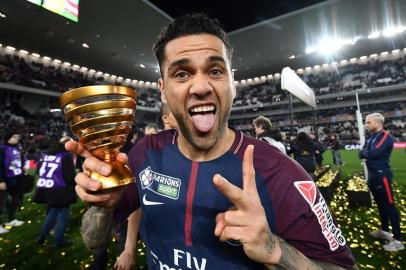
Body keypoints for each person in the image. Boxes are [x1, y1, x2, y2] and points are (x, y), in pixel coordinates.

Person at [67, 14, 356, 269]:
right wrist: (102, 204)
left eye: (215, 71)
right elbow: (93, 240)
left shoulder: (281, 174)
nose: (202, 87)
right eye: (182, 74)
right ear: (163, 91)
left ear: (232, 83)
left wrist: (274, 249)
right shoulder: (145, 154)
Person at [359, 113, 403, 252]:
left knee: (389, 206)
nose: (367, 125)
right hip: (373, 176)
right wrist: (365, 152)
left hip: (382, 176)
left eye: (369, 122)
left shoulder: (385, 137)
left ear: (378, 123)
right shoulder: (372, 137)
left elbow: (371, 153)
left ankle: (397, 240)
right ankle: (384, 230)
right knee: (380, 204)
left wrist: (366, 152)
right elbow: (362, 153)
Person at [34, 136, 76, 247]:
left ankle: (41, 237)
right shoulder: (65, 156)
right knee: (63, 215)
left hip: (48, 189)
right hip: (61, 190)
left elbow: (38, 170)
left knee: (52, 214)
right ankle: (58, 240)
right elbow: (70, 177)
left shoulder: (47, 155)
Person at [0, 132, 25, 229]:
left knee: (15, 200)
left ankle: (11, 219)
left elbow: (18, 160)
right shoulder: (2, 149)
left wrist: (22, 166)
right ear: (8, 138)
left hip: (16, 177)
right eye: (14, 136)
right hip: (6, 179)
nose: (17, 138)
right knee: (2, 202)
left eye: (17, 136)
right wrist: (1, 180)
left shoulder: (16, 148)